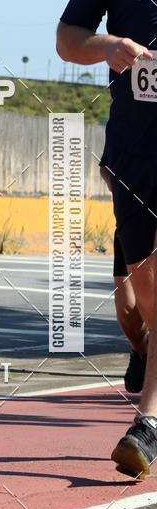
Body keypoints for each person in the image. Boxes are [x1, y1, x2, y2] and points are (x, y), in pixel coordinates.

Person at [56, 0, 157, 479]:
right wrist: (108, 46)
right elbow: (67, 40)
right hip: (135, 148)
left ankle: (147, 424)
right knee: (141, 289)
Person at [99, 168, 148, 393]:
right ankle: (142, 351)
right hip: (133, 221)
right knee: (128, 311)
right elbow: (106, 167)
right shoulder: (127, 132)